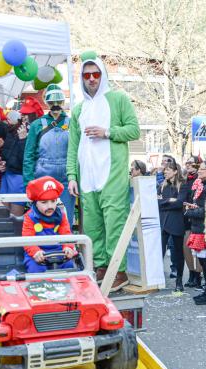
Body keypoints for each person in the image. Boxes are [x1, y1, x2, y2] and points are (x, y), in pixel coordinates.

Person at [66, 52, 140, 292]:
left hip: (112, 173)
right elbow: (73, 146)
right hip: (87, 176)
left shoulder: (118, 99)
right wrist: (71, 176)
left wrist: (107, 132)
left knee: (114, 221)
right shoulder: (78, 110)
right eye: (86, 75)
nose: (91, 79)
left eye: (95, 74)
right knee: (93, 226)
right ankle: (100, 266)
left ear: (102, 75)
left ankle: (117, 270)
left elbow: (134, 130)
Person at [23, 85, 74, 221]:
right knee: (43, 224)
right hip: (42, 181)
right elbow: (29, 155)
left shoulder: (73, 123)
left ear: (64, 102)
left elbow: (77, 154)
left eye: (59, 102)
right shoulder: (37, 125)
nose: (56, 105)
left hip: (66, 181)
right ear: (46, 102)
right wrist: (29, 183)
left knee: (65, 221)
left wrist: (76, 179)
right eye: (52, 102)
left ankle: (65, 243)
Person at [22, 177, 76, 273]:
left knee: (70, 266)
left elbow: (66, 233)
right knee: (35, 269)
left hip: (59, 252)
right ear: (35, 203)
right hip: (38, 253)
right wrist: (35, 252)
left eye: (53, 201)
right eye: (44, 202)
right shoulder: (30, 217)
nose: (50, 206)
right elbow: (27, 239)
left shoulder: (61, 215)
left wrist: (68, 247)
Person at [186, 158, 206, 305]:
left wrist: (189, 212)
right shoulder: (203, 184)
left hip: (204, 229)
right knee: (203, 263)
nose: (198, 170)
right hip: (198, 228)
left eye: (202, 169)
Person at [158, 158, 190, 291]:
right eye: (164, 170)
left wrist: (165, 202)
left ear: (175, 171)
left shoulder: (183, 185)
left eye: (168, 170)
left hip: (176, 223)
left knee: (178, 254)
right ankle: (157, 280)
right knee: (159, 252)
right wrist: (168, 200)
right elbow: (156, 203)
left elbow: (179, 203)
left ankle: (179, 281)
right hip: (163, 222)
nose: (165, 172)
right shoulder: (162, 185)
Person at [181, 157, 203, 289]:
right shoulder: (185, 179)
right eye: (187, 163)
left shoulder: (199, 180)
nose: (188, 165)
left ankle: (198, 276)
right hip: (185, 218)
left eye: (191, 163)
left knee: (197, 250)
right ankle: (191, 274)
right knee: (187, 249)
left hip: (195, 218)